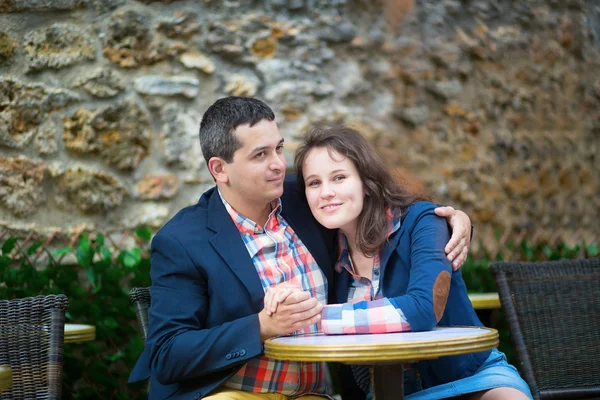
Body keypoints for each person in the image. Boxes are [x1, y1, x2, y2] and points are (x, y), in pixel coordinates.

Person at [128, 96, 473, 400]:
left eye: (278, 148)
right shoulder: (183, 240)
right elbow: (166, 353)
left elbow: (376, 200)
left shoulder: (303, 197)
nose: (278, 164)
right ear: (220, 169)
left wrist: (451, 218)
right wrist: (261, 327)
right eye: (260, 155)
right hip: (229, 394)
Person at [290, 125, 533, 400]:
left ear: (366, 183)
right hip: (389, 391)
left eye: (339, 177)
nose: (326, 192)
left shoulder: (423, 221)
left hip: (470, 377)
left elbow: (424, 307)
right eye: (314, 183)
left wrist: (319, 318)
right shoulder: (325, 252)